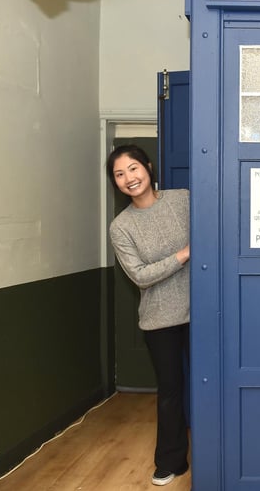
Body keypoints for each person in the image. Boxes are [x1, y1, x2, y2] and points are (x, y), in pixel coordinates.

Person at [106, 145, 191, 487]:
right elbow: (140, 275)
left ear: (149, 167)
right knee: (171, 390)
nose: (129, 178)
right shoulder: (121, 227)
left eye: (133, 168)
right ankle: (171, 461)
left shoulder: (182, 199)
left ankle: (225, 451)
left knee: (215, 384)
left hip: (203, 313)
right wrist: (184, 254)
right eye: (119, 174)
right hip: (160, 321)